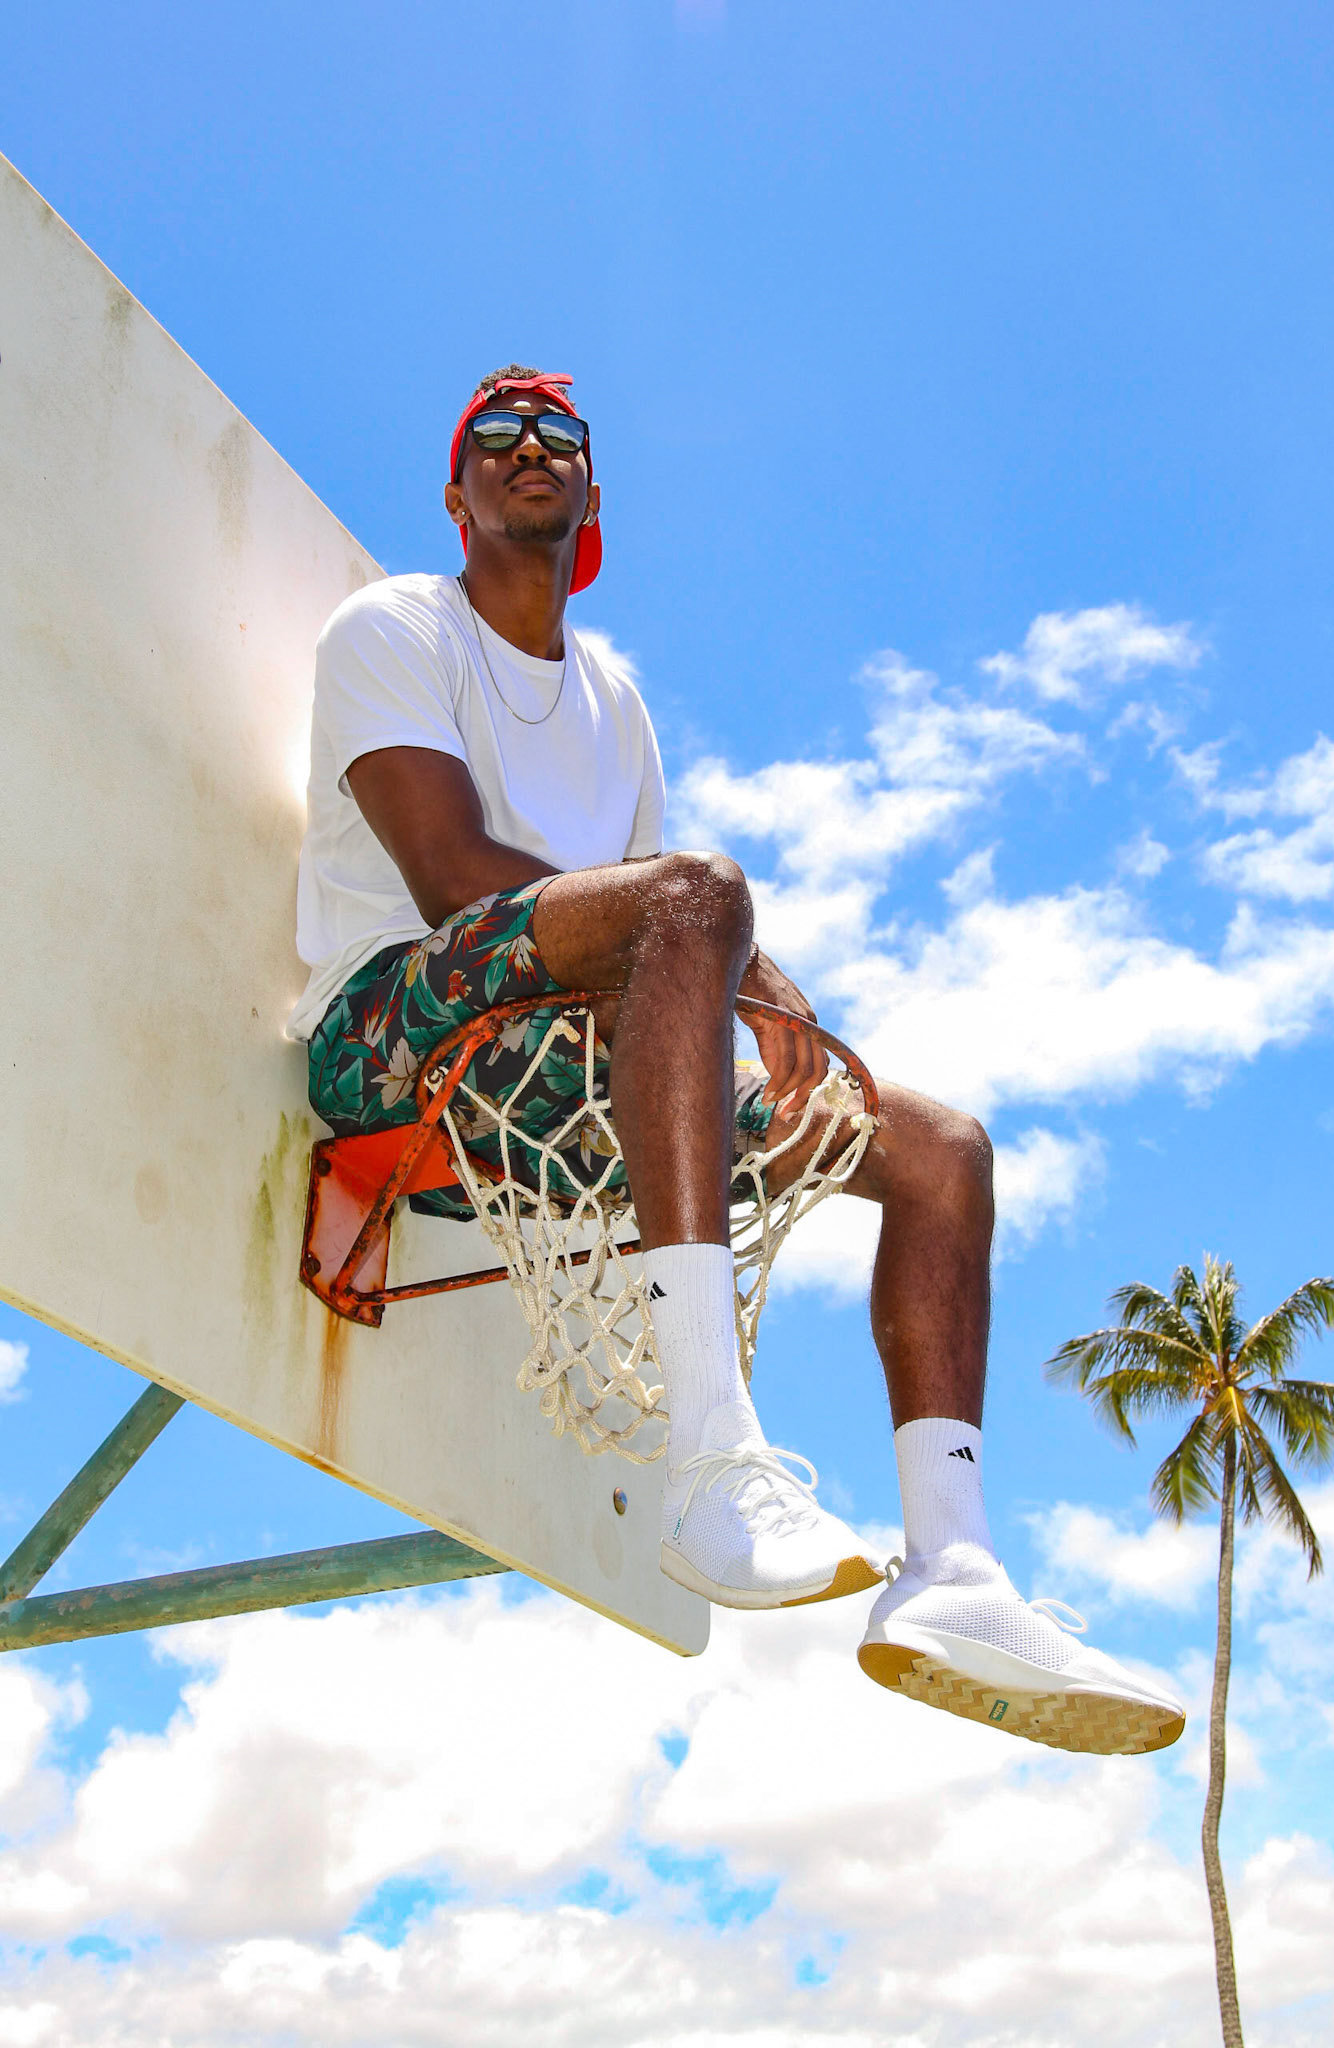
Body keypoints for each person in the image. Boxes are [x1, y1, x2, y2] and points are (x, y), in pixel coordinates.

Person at [287, 365, 1184, 1757]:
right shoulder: (396, 626)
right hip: (394, 1043)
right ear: (456, 494)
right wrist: (733, 961)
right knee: (697, 898)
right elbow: (453, 873)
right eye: (497, 437)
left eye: (559, 436)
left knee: (938, 1149)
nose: (531, 448)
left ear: (592, 493)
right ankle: (711, 1456)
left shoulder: (616, 699)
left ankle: (953, 1571)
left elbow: (650, 938)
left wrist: (740, 985)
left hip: (559, 1085)